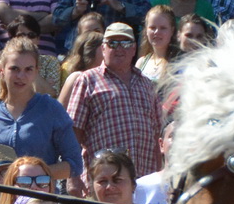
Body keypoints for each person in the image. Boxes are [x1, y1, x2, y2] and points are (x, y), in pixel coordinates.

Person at [62, 22, 161, 175]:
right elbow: (73, 133)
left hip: (143, 181)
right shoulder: (87, 80)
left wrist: (158, 177)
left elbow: (156, 137)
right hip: (103, 181)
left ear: (134, 48)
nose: (119, 48)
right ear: (103, 48)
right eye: (113, 43)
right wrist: (72, 177)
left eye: (126, 43)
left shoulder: (147, 84)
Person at [135, 6, 177, 84]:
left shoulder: (178, 63)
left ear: (172, 30)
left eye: (163, 28)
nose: (157, 32)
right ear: (146, 30)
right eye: (152, 27)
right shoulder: (141, 62)